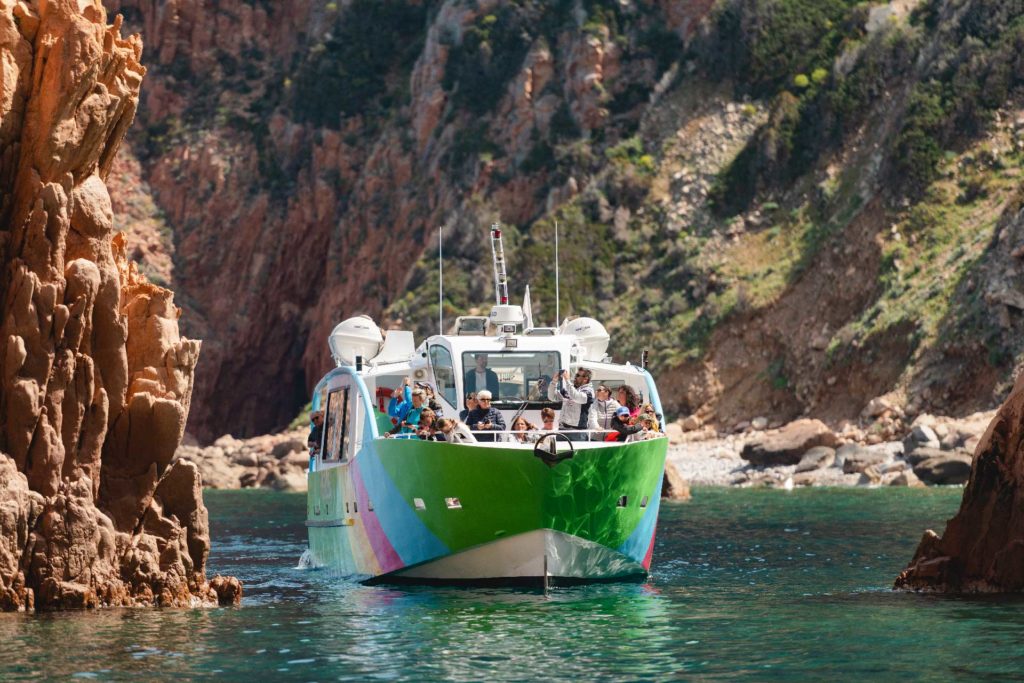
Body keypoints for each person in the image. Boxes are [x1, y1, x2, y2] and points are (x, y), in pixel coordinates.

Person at [548, 367, 598, 441]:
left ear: (585, 379)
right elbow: (552, 397)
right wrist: (554, 381)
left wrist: (567, 380)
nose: (575, 377)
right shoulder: (569, 389)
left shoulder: (589, 392)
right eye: (576, 375)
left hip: (577, 432)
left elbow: (576, 397)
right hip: (562, 429)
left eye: (578, 375)